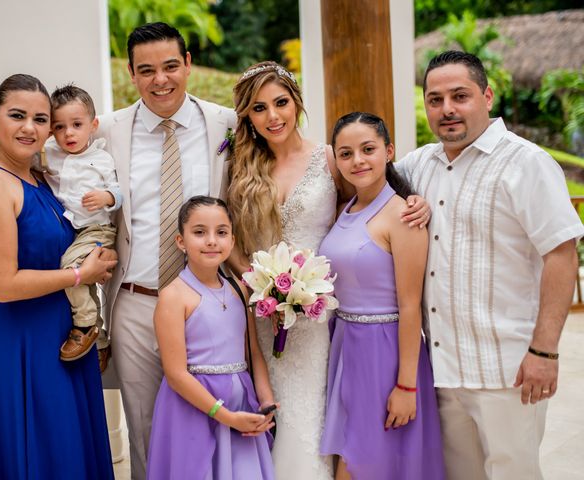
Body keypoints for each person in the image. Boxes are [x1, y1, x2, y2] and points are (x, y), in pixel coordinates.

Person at [226, 61, 431, 479]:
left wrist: (416, 200)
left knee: (321, 417)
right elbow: (229, 239)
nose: (273, 116)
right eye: (259, 108)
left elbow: (365, 202)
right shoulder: (242, 168)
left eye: (281, 103)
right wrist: (257, 284)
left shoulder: (330, 158)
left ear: (296, 103)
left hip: (321, 317)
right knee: (272, 411)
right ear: (247, 116)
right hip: (263, 314)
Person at [396, 51, 584, 479]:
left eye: (459, 96)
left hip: (509, 369)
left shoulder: (526, 163)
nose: (447, 109)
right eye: (435, 99)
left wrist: (544, 351)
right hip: (443, 370)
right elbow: (362, 171)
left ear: (487, 96)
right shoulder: (415, 166)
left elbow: (561, 253)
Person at [0, 74, 117, 479]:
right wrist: (82, 273)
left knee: (72, 443)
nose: (30, 127)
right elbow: (4, 286)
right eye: (17, 115)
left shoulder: (39, 176)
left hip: (64, 332)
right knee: (47, 448)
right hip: (24, 337)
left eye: (41, 119)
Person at [95, 22, 236, 479]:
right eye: (147, 70)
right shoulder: (110, 130)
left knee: (212, 424)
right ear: (132, 76)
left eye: (171, 66)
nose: (161, 80)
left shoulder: (226, 124)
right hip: (138, 300)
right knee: (146, 429)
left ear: (188, 64)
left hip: (208, 302)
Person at [319, 112, 445, 480]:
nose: (357, 160)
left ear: (389, 151)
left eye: (368, 149)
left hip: (384, 351)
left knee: (366, 461)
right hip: (346, 345)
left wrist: (406, 385)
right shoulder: (346, 208)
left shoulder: (403, 215)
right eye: (346, 153)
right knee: (351, 455)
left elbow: (410, 306)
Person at [146, 196, 277, 479]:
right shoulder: (173, 297)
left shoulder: (240, 291)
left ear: (232, 239)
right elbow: (176, 374)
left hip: (241, 402)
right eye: (199, 232)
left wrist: (265, 400)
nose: (211, 241)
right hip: (194, 408)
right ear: (181, 241)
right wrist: (227, 417)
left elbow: (252, 352)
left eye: (221, 232)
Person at [37, 84, 122, 362]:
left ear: (93, 125)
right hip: (71, 231)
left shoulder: (101, 158)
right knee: (83, 283)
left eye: (76, 124)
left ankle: (85, 325)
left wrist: (106, 196)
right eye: (59, 127)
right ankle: (101, 342)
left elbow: (119, 192)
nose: (68, 133)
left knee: (72, 270)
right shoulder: (50, 154)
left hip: (96, 229)